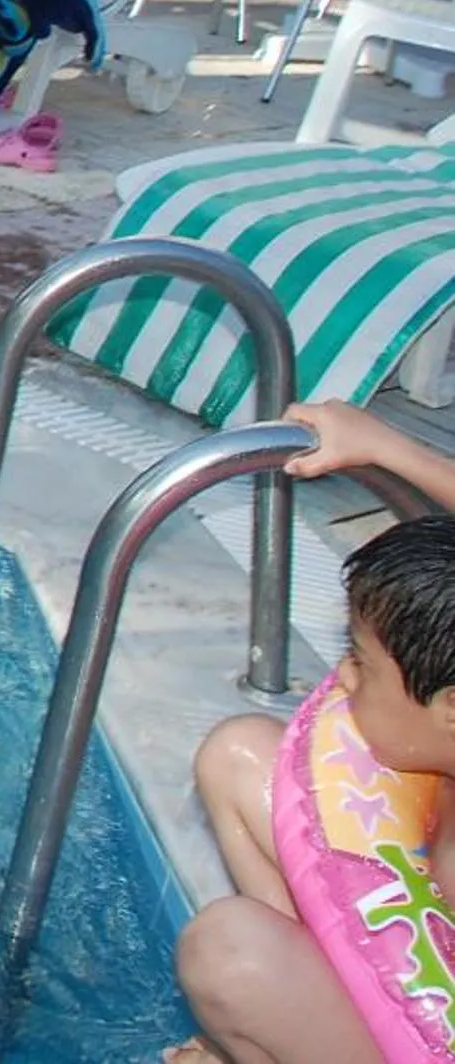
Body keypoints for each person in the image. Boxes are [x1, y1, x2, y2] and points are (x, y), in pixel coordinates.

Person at [168, 399, 455, 1064]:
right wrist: (385, 446)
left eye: (361, 663)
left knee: (230, 956)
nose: (342, 679)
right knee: (240, 755)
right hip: (406, 949)